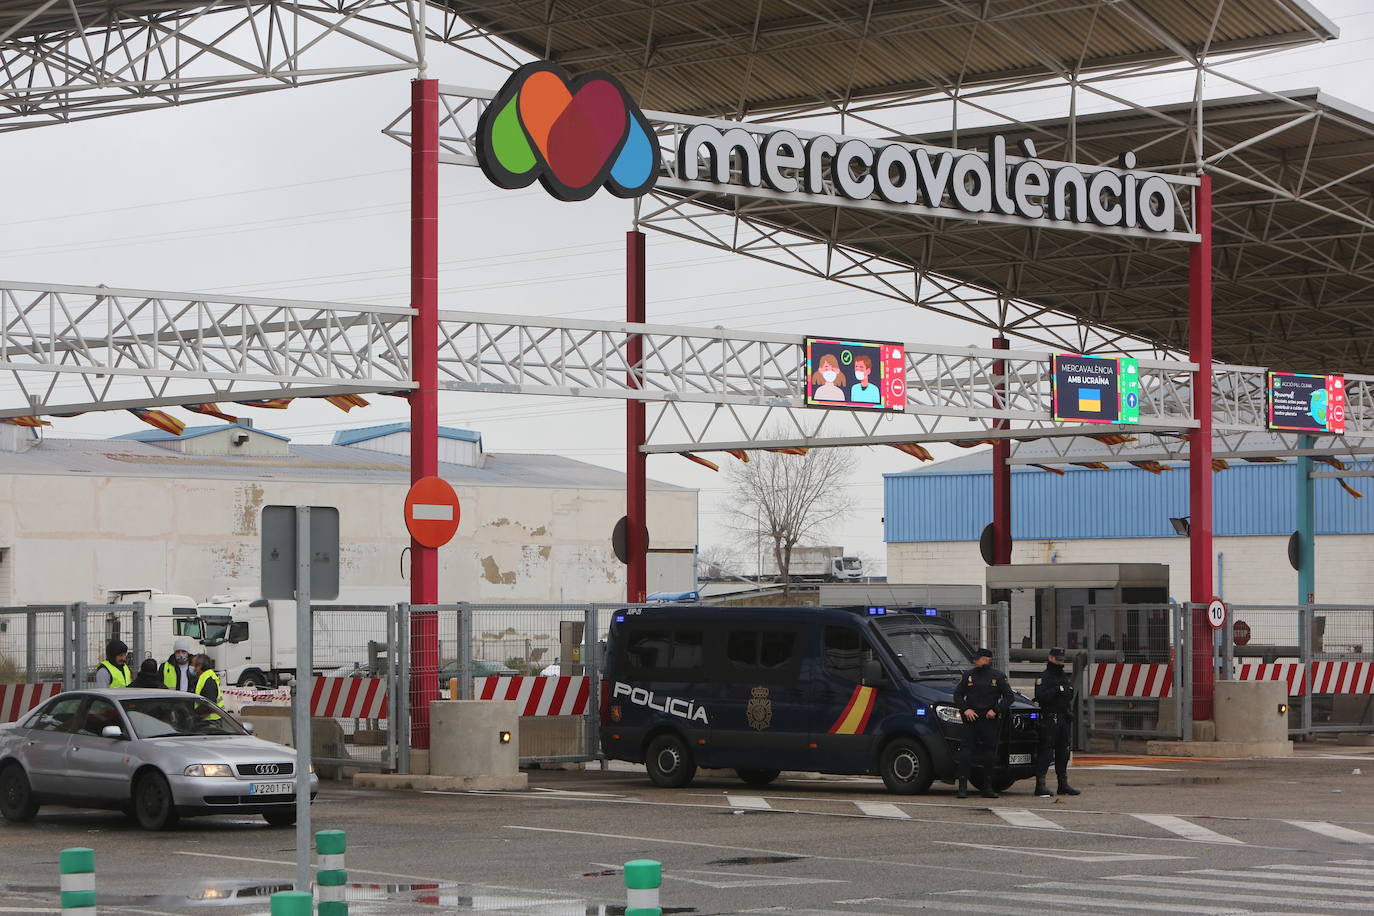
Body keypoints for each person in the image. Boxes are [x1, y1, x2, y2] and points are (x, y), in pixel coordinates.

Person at [952, 647, 1014, 799]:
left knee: (989, 754)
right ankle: (962, 786)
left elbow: (1009, 697)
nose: (974, 661)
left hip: (989, 719)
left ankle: (987, 787)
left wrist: (996, 710)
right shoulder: (968, 675)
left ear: (986, 659)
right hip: (971, 719)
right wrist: (965, 709)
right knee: (966, 752)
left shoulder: (998, 676)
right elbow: (958, 695)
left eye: (978, 658)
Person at [1034, 647, 1081, 798]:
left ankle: (1063, 784)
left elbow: (1069, 693)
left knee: (1063, 751)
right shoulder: (1044, 677)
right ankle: (1040, 785)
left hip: (1062, 717)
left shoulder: (1063, 676)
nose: (1061, 662)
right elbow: (1041, 696)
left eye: (1062, 659)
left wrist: (1060, 691)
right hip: (1050, 717)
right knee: (1047, 751)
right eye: (1058, 659)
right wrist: (1057, 691)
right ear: (1051, 658)